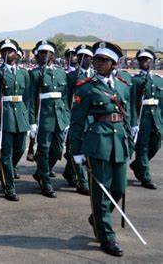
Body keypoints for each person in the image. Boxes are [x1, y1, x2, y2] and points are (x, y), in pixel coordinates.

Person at [70, 41, 131, 257]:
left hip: (120, 143)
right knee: (101, 192)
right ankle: (106, 235)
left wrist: (129, 144)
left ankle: (97, 217)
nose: (98, 64)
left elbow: (128, 117)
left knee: (119, 188)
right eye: (96, 59)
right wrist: (76, 150)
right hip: (98, 144)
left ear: (114, 63)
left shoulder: (123, 85)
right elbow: (76, 121)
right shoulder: (86, 87)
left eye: (103, 60)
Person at [29, 40, 69, 198]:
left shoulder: (61, 73)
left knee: (58, 149)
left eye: (47, 52)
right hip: (44, 116)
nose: (44, 55)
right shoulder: (35, 73)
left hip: (59, 116)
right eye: (41, 53)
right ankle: (45, 181)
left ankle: (41, 172)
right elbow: (31, 99)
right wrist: (32, 121)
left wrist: (66, 116)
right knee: (44, 149)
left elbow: (65, 96)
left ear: (53, 55)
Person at [0, 39, 30, 201]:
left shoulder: (23, 73)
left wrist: (28, 119)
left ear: (16, 53)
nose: (7, 54)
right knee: (6, 153)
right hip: (5, 116)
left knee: (20, 148)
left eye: (10, 51)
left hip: (20, 116)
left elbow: (27, 98)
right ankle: (9, 186)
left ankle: (4, 172)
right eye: (4, 51)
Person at [63, 44, 94, 195]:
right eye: (80, 56)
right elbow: (66, 98)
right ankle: (83, 183)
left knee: (88, 149)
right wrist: (66, 117)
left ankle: (69, 172)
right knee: (74, 148)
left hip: (93, 118)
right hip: (76, 117)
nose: (83, 59)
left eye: (87, 56)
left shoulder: (95, 76)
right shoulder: (71, 76)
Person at [129, 48, 161, 190]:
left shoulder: (159, 80)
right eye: (142, 60)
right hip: (143, 117)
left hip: (157, 117)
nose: (144, 62)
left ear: (152, 62)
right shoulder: (135, 80)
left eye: (147, 60)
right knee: (142, 147)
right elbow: (131, 103)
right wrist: (133, 122)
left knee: (156, 144)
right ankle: (145, 177)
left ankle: (138, 165)